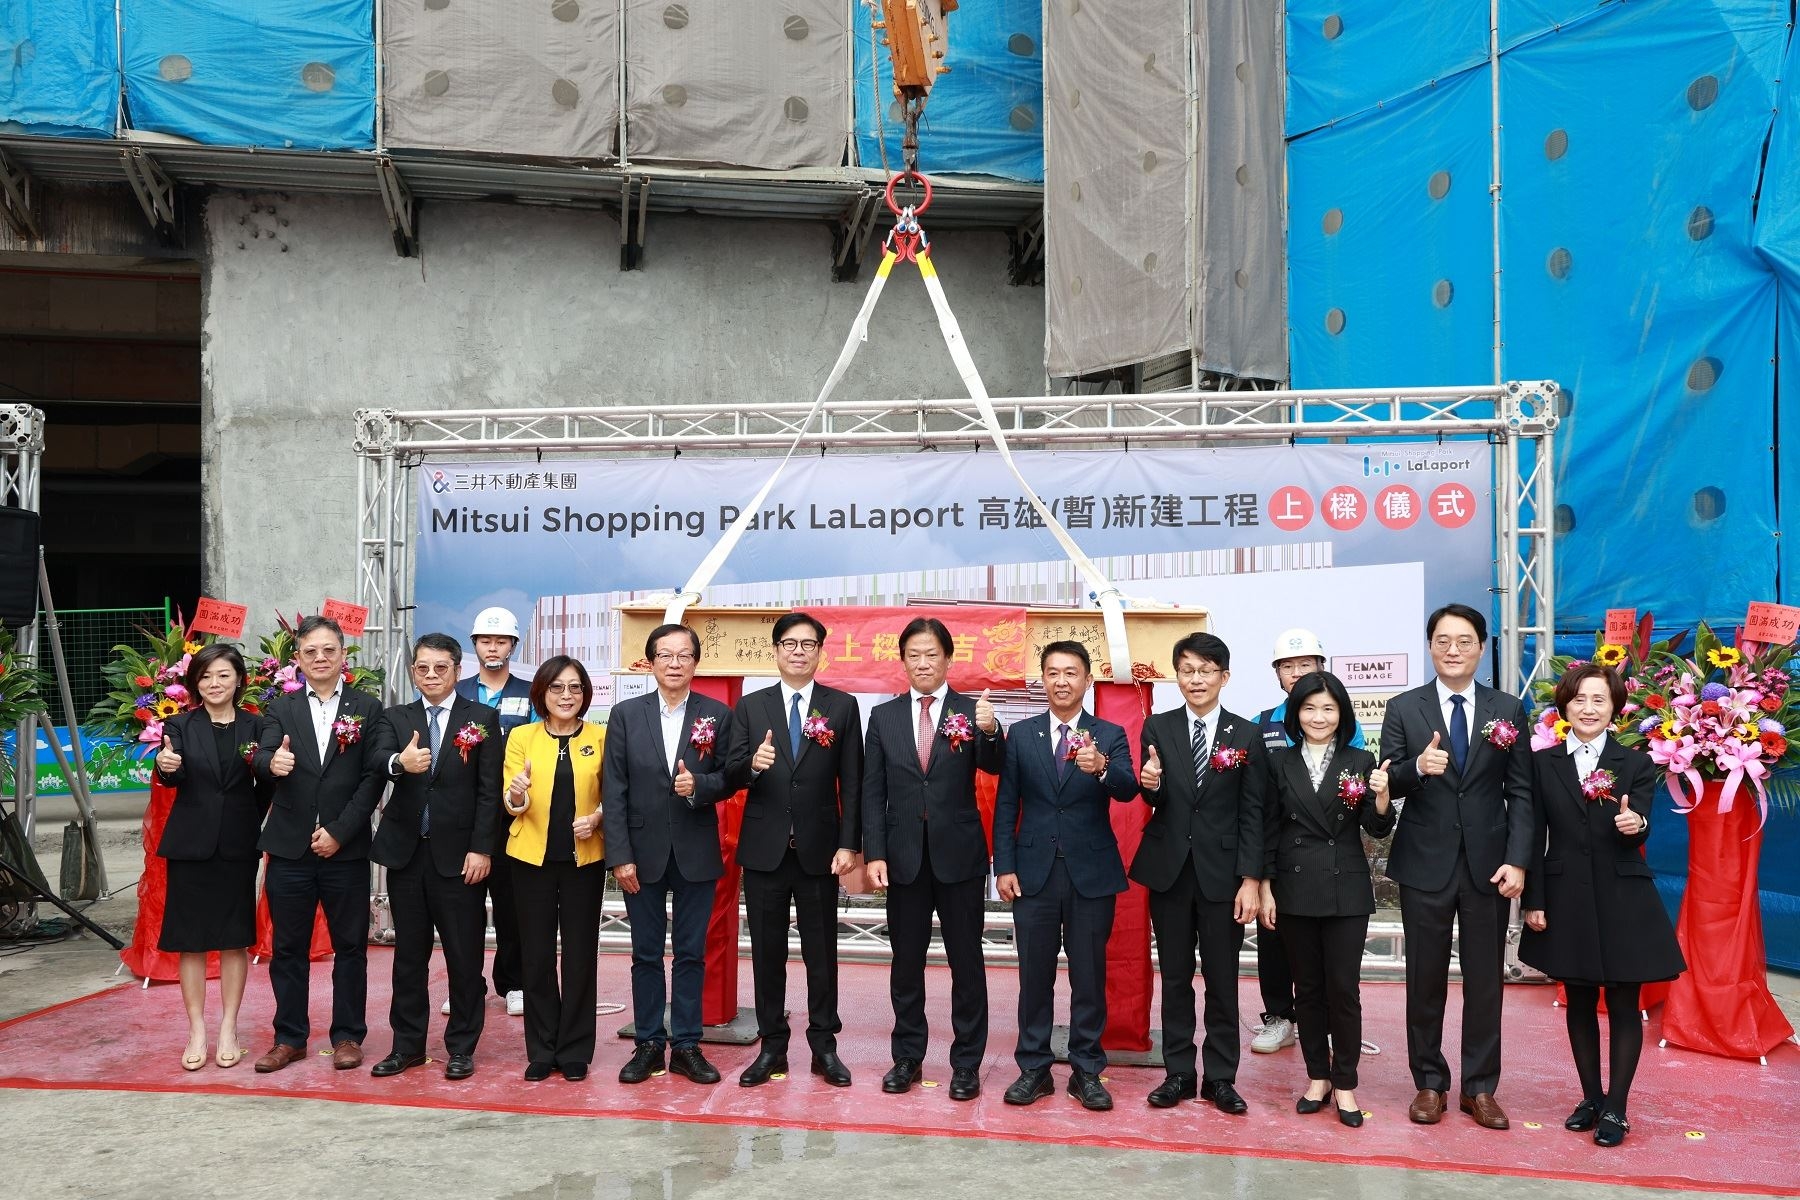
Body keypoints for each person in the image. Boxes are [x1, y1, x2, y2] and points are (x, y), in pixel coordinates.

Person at [1378, 602, 1532, 1130]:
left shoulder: (1508, 709)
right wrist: (1418, 767)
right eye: (1443, 640)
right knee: (1424, 979)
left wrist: (1518, 860)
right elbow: (1388, 779)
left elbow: (1522, 792)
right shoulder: (1404, 707)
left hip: (1489, 865)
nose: (1453, 650)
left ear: (1482, 648)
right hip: (1425, 863)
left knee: (1486, 981)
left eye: (1464, 640)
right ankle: (1429, 1082)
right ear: (1429, 646)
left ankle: (1480, 1088)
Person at [1521, 663, 1685, 1147]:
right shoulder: (1542, 763)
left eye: (1599, 700)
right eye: (1579, 699)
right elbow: (1532, 835)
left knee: (1623, 1003)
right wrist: (1534, 899)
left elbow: (1641, 825)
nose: (1588, 708)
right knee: (1578, 999)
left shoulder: (1634, 763)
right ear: (1564, 706)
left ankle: (1617, 1107)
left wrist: (1636, 826)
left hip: (1622, 895)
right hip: (1565, 894)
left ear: (1615, 708)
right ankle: (1591, 1098)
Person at [862, 616, 1004, 1101]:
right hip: (902, 858)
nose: (923, 663)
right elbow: (872, 791)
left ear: (948, 659)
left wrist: (990, 731)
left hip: (959, 857)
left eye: (931, 654)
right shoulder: (883, 717)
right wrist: (875, 853)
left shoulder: (971, 711)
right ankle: (907, 1057)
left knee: (967, 962)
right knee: (906, 963)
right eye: (914, 655)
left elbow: (993, 764)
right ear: (902, 661)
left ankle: (966, 1064)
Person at [992, 641, 1138, 1112]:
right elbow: (1007, 804)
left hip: (1090, 874)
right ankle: (1034, 1068)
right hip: (1032, 873)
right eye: (1053, 672)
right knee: (1033, 976)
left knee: (1089, 976)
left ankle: (1086, 1071)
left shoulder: (1109, 734)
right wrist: (1004, 866)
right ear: (1043, 679)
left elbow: (1128, 789)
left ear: (1087, 680)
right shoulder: (1022, 734)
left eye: (1071, 672)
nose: (1061, 681)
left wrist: (1102, 768)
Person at [723, 612, 862, 1088]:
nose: (798, 651)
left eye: (807, 644)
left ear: (820, 651)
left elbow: (854, 781)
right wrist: (752, 765)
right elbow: (730, 772)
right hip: (765, 851)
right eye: (789, 643)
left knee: (822, 955)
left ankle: (824, 1046)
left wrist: (849, 843)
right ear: (776, 651)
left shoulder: (841, 706)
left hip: (820, 852)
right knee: (767, 955)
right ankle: (772, 1047)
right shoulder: (750, 706)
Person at [1132, 631, 1267, 1114]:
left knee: (1222, 980)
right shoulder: (1158, 727)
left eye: (1206, 671)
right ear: (1177, 676)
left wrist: (1250, 880)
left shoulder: (1245, 734)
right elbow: (1156, 795)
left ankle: (1221, 1078)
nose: (1196, 679)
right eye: (1187, 670)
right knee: (1175, 978)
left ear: (1224, 677)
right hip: (1170, 871)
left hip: (1223, 876)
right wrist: (1150, 784)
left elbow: (1254, 812)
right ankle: (1179, 1074)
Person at [603, 623, 737, 1087]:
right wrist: (619, 855)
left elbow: (731, 776)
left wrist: (700, 785)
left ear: (696, 662)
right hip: (640, 854)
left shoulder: (716, 714)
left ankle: (686, 1046)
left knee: (691, 953)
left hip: (695, 850)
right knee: (645, 954)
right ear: (651, 662)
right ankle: (647, 1043)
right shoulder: (625, 714)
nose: (675, 663)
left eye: (684, 655)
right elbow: (614, 788)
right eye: (665, 655)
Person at [251, 615, 387, 1074]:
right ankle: (289, 1038)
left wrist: (340, 832)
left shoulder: (366, 707)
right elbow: (263, 756)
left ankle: (348, 1036)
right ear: (297, 659)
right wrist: (272, 763)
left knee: (351, 948)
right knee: (288, 949)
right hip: (289, 849)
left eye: (329, 649)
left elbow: (372, 778)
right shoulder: (281, 708)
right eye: (311, 651)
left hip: (345, 849)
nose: (321, 658)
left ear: (344, 655)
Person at [1260, 670, 1395, 1127]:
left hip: (1346, 888)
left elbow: (1376, 828)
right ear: (1295, 714)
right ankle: (1317, 1077)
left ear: (1342, 714)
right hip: (1293, 886)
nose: (1319, 717)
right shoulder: (1278, 762)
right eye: (1309, 708)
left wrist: (1381, 799)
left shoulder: (1361, 760)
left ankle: (1346, 1083)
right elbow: (1267, 828)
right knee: (1308, 989)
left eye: (1328, 708)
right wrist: (1265, 885)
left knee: (1344, 990)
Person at [368, 633, 503, 1081]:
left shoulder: (481, 718)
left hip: (460, 859)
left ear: (457, 671)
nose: (431, 675)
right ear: (412, 672)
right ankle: (406, 1046)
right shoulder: (395, 717)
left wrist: (482, 848)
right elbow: (377, 759)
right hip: (407, 856)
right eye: (422, 668)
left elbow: (489, 791)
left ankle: (461, 1047)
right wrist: (398, 763)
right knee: (409, 957)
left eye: (440, 667)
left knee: (464, 958)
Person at [1250, 628, 1366, 1056]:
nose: (1297, 672)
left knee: (1331, 963)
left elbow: (1355, 790)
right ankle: (1279, 1018)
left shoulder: (1345, 726)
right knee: (1273, 941)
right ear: (1277, 674)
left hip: (1329, 860)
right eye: (1288, 666)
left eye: (1306, 664)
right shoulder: (1262, 723)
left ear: (1321, 667)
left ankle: (1333, 1026)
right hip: (1280, 856)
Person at [153, 643, 268, 1072]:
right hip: (191, 845)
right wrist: (165, 766)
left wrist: (249, 820)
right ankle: (197, 1030)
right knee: (192, 941)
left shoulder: (257, 726)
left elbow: (266, 783)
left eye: (223, 675)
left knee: (235, 938)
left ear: (239, 680)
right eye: (205, 676)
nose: (214, 683)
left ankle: (229, 1028)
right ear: (194, 683)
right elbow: (173, 772)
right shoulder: (179, 725)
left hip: (237, 845)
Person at [503, 655, 607, 1082]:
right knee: (536, 956)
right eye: (557, 688)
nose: (567, 695)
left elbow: (616, 793)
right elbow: (512, 803)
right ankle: (542, 1049)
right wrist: (517, 792)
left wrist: (597, 817)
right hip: (531, 859)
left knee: (581, 955)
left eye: (575, 688)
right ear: (541, 693)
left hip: (585, 859)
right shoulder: (521, 737)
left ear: (585, 694)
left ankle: (576, 1048)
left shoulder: (601, 736)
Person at [455, 605, 536, 1019]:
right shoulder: (456, 690)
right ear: (474, 645)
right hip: (464, 817)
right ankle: (466, 986)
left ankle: (515, 983)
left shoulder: (532, 693)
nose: (493, 647)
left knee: (512, 906)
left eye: (501, 641)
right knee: (463, 910)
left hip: (513, 817)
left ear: (513, 646)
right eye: (485, 640)